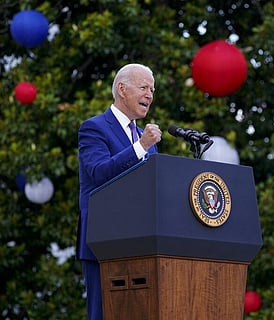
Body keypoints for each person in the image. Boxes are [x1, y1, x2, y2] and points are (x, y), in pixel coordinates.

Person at [77, 63, 162, 319]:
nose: (150, 94)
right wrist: (141, 146)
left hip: (141, 242)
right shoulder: (94, 128)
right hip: (104, 240)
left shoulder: (146, 139)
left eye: (153, 89)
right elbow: (99, 172)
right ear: (122, 89)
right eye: (144, 87)